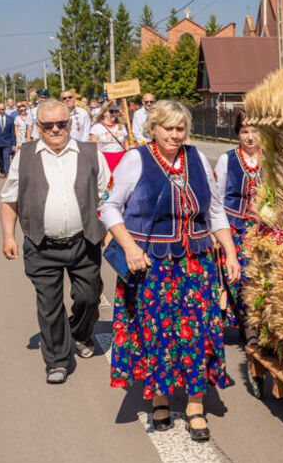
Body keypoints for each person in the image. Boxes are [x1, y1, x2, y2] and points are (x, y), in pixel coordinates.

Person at [100, 99, 239, 442]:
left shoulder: (197, 160)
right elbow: (109, 208)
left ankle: (194, 405)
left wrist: (231, 253)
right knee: (159, 333)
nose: (176, 135)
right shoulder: (137, 159)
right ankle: (160, 400)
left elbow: (216, 211)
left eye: (181, 129)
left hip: (197, 263)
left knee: (197, 333)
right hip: (153, 266)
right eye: (169, 129)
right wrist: (130, 247)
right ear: (154, 128)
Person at [0, 100, 110, 384]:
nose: (56, 129)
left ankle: (81, 332)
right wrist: (9, 236)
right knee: (49, 305)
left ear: (70, 123)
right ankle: (57, 360)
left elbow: (107, 197)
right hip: (41, 245)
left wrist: (110, 231)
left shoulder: (89, 153)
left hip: (84, 241)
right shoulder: (24, 157)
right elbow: (9, 200)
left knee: (88, 296)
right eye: (48, 125)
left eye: (61, 123)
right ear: (38, 127)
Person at [211, 111, 261, 346]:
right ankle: (247, 323)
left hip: (262, 229)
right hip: (235, 229)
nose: (250, 137)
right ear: (238, 134)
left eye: (254, 131)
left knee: (260, 277)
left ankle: (254, 323)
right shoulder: (227, 160)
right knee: (239, 277)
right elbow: (217, 198)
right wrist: (216, 232)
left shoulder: (270, 159)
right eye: (244, 132)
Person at [89, 102, 129, 173]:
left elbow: (126, 146)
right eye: (111, 111)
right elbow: (93, 149)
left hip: (121, 160)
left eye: (116, 111)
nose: (114, 114)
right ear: (104, 113)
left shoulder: (121, 127)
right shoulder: (96, 128)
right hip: (104, 160)